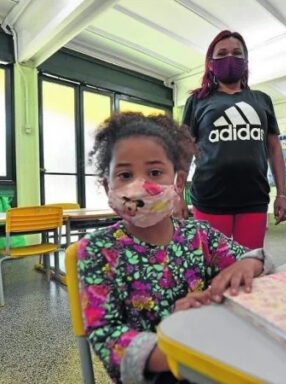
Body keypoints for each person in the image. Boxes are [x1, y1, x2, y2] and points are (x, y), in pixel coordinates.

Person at [78, 112, 272, 383]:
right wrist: (177, 351)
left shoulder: (199, 235)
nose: (140, 186)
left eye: (155, 172)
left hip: (211, 352)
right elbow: (105, 334)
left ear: (178, 183)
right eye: (125, 174)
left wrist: (248, 265)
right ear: (107, 185)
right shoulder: (97, 250)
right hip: (157, 369)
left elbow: (254, 260)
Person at [182, 30, 286, 249]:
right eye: (221, 53)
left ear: (246, 62)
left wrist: (283, 194)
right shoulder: (197, 101)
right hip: (210, 196)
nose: (229, 57)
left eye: (236, 53)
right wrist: (177, 194)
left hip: (253, 197)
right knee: (211, 268)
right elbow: (184, 149)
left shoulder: (262, 100)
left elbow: (274, 149)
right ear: (211, 63)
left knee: (249, 265)